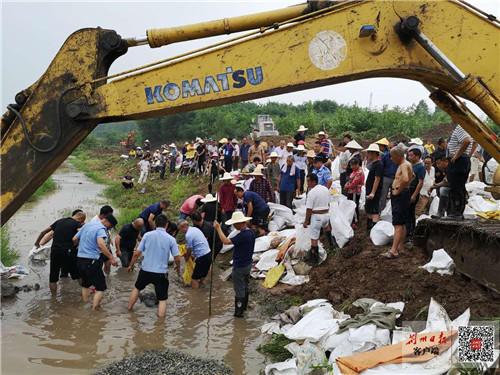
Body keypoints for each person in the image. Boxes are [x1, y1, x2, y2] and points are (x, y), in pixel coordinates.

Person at [127, 214, 181, 318]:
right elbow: (177, 258)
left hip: (145, 270)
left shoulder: (147, 235)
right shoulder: (171, 239)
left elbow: (137, 253)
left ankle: (129, 309)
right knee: (162, 299)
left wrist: (131, 265)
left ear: (155, 224)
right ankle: (160, 324)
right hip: (161, 273)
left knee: (137, 288)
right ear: (166, 225)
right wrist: (178, 268)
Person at [214, 212, 255, 317]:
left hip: (240, 266)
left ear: (240, 223)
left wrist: (218, 228)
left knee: (239, 289)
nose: (234, 226)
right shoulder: (251, 233)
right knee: (245, 286)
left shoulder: (242, 235)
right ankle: (244, 307)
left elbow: (226, 241)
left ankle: (239, 312)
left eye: (235, 224)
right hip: (248, 264)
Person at [73, 214, 119, 310]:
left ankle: (85, 305)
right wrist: (111, 258)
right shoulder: (101, 229)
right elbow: (101, 244)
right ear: (107, 222)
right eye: (110, 226)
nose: (109, 229)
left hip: (80, 259)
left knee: (85, 284)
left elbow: (74, 239)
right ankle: (95, 310)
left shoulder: (87, 225)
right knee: (101, 287)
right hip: (92, 260)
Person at [35, 211, 86, 292]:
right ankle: (86, 294)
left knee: (53, 278)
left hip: (55, 251)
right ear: (81, 219)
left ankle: (53, 299)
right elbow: (82, 233)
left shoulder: (59, 221)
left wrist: (37, 243)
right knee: (78, 275)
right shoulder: (77, 224)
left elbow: (43, 232)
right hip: (68, 252)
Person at [383, 146, 413, 259]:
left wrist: (398, 190)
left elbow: (405, 179)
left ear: (397, 156)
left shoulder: (404, 165)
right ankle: (400, 247)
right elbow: (412, 177)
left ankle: (394, 250)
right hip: (404, 194)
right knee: (403, 221)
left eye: (392, 156)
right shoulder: (408, 164)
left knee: (398, 223)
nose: (391, 159)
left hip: (400, 195)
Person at [303, 174, 330, 265]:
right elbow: (328, 203)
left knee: (314, 238)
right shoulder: (325, 189)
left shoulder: (312, 192)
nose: (308, 183)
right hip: (326, 215)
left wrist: (306, 221)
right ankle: (332, 247)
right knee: (327, 228)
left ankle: (314, 259)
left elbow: (309, 209)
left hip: (317, 216)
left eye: (309, 181)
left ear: (314, 181)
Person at [446, 125, 473, 218]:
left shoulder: (460, 127)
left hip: (459, 161)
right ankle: (456, 212)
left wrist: (457, 155)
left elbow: (467, 141)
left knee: (456, 187)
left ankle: (456, 212)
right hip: (463, 159)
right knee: (459, 186)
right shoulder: (467, 128)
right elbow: (474, 142)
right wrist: (467, 155)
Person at [178, 221, 212, 289]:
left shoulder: (188, 235)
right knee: (202, 276)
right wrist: (193, 255)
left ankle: (195, 296)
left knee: (194, 279)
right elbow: (197, 244)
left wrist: (187, 259)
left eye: (180, 230)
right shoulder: (195, 229)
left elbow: (189, 249)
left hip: (202, 257)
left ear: (183, 227)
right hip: (209, 254)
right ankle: (202, 289)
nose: (181, 232)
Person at [364, 143, 383, 232]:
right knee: (368, 208)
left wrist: (373, 192)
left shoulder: (379, 164)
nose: (367, 155)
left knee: (374, 210)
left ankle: (374, 230)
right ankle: (369, 227)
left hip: (374, 191)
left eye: (368, 153)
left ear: (374, 153)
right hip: (370, 189)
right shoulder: (373, 164)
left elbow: (377, 179)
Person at [407, 148, 425, 239]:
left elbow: (420, 182)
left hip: (413, 191)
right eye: (409, 155)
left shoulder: (420, 167)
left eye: (411, 155)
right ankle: (407, 231)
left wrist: (414, 195)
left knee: (410, 212)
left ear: (417, 156)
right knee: (407, 212)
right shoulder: (410, 165)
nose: (409, 157)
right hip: (407, 190)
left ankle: (411, 232)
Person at [376, 138, 397, 212]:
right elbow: (382, 166)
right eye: (389, 147)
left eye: (392, 147)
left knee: (395, 195)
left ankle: (392, 211)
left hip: (395, 178)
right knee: (383, 195)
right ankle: (381, 211)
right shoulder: (385, 156)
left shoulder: (398, 156)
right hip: (386, 177)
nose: (390, 149)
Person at [344, 158, 365, 225]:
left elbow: (354, 184)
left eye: (353, 165)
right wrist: (347, 183)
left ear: (357, 164)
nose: (351, 167)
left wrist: (347, 186)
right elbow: (350, 180)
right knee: (351, 204)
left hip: (355, 191)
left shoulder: (359, 172)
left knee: (354, 205)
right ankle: (352, 219)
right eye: (351, 165)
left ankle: (355, 220)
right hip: (351, 190)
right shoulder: (355, 171)